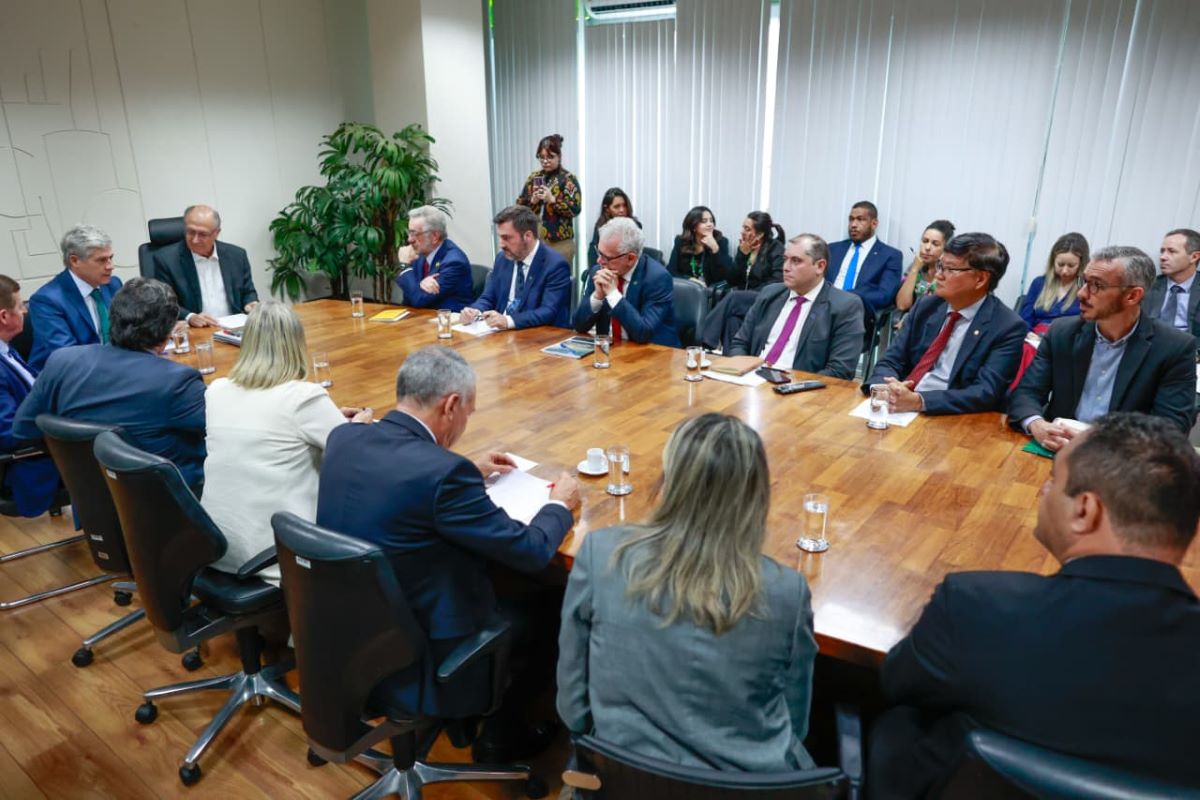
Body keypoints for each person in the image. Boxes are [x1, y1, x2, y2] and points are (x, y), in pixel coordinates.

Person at [870, 413, 1200, 797]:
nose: (1042, 491)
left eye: (1053, 480)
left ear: (1085, 511)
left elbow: (895, 683)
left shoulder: (975, 608)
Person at [316, 346, 581, 761]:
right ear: (451, 404)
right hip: (418, 649)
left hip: (347, 634)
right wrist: (559, 506)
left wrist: (465, 469)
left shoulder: (344, 437)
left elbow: (401, 474)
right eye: (469, 412)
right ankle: (502, 736)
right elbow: (530, 551)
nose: (465, 422)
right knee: (552, 600)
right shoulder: (442, 475)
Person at [558, 413, 818, 772]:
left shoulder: (600, 553)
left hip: (621, 776)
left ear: (669, 482)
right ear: (756, 496)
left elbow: (573, 702)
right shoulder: (787, 592)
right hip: (741, 790)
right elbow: (795, 723)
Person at [202, 301, 373, 585]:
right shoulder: (304, 398)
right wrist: (357, 429)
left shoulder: (216, 390)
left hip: (216, 546)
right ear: (296, 343)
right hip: (276, 554)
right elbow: (353, 456)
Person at [14, 278, 206, 489]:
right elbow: (223, 434)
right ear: (168, 332)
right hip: (171, 503)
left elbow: (24, 428)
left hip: (92, 501)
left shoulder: (61, 361)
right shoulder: (178, 382)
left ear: (112, 317)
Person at [1008, 246, 1197, 446]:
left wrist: (1096, 441)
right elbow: (1026, 393)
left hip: (1121, 460)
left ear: (1132, 296)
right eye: (1084, 281)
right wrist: (1037, 424)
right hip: (1056, 448)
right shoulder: (1062, 333)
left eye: (1096, 285)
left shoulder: (1174, 348)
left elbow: (1172, 429)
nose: (1081, 293)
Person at [864, 232, 1025, 415]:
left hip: (951, 417)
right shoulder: (927, 306)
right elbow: (892, 359)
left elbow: (985, 392)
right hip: (900, 406)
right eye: (940, 265)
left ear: (980, 279)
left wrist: (919, 401)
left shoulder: (1007, 327)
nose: (938, 275)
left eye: (949, 269)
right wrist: (885, 387)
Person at [728, 234, 865, 379]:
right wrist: (742, 372)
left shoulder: (845, 306)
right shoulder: (770, 294)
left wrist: (793, 385)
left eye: (796, 261)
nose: (786, 268)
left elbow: (840, 371)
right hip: (752, 380)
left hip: (799, 389)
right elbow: (740, 343)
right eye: (785, 259)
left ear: (820, 266)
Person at [0, 275, 60, 517]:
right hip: (29, 464)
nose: (25, 311)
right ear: (4, 316)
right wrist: (62, 424)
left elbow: (32, 384)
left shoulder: (6, 350)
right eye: (20, 306)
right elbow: (9, 432)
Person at [28, 224, 124, 370]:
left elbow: (130, 329)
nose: (110, 266)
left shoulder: (113, 285)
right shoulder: (47, 300)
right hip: (69, 378)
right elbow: (67, 355)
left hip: (110, 369)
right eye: (101, 260)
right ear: (75, 261)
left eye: (110, 258)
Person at [573, 217, 679, 347]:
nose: (599, 261)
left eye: (606, 257)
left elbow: (643, 333)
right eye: (599, 253)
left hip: (652, 355)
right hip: (611, 352)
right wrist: (597, 297)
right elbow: (578, 326)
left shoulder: (658, 278)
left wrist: (613, 295)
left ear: (630, 258)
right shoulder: (598, 271)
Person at [461, 206, 571, 330]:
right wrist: (475, 310)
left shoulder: (555, 265)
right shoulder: (502, 259)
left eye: (506, 238)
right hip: (500, 334)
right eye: (500, 237)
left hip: (536, 335)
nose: (501, 244)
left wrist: (508, 321)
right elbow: (488, 297)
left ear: (528, 236)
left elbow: (548, 311)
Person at [152, 204, 259, 327]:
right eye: (190, 232)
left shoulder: (237, 255)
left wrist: (251, 303)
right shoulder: (166, 260)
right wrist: (190, 316)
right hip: (197, 331)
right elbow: (164, 303)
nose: (195, 240)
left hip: (234, 328)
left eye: (202, 234)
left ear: (216, 233)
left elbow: (248, 291)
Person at [826, 201, 904, 326]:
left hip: (857, 313)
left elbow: (884, 295)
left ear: (874, 224)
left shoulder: (890, 255)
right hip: (823, 309)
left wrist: (846, 297)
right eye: (851, 219)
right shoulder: (833, 249)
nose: (853, 225)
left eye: (860, 220)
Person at [516, 133, 582, 266]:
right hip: (535, 242)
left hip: (560, 244)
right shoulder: (533, 178)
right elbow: (519, 208)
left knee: (559, 282)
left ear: (559, 157)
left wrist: (553, 200)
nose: (545, 161)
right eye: (541, 157)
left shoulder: (568, 179)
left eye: (550, 157)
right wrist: (532, 202)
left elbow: (575, 209)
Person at [394, 205, 475, 311]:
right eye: (409, 232)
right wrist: (419, 285)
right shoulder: (419, 255)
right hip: (423, 320)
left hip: (450, 323)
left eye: (415, 234)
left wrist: (404, 266)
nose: (410, 240)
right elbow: (409, 299)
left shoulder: (454, 261)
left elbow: (419, 300)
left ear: (434, 236)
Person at [1017, 232, 1087, 331]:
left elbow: (1087, 324)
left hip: (1066, 340)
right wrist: (1028, 333)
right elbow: (1025, 319)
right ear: (1053, 261)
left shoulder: (1083, 285)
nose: (1065, 271)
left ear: (1081, 265)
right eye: (1060, 264)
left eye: (1071, 266)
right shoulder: (1040, 283)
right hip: (1035, 337)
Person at [1145, 227, 1200, 342]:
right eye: (1162, 251)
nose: (1163, 257)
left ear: (1194, 257)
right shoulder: (1148, 286)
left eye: (1171, 251)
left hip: (1190, 352)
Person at [895, 220, 955, 315]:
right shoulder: (916, 266)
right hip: (911, 321)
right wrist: (914, 270)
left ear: (946, 248)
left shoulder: (951, 273)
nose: (927, 247)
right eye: (925, 241)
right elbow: (902, 305)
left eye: (935, 244)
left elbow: (934, 307)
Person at [666, 206, 734, 287]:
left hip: (709, 291)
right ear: (693, 226)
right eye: (704, 221)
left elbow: (723, 277)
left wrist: (715, 250)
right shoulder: (681, 242)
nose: (709, 224)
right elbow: (671, 271)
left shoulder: (720, 241)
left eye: (711, 221)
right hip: (686, 288)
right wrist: (689, 280)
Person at [731, 211, 786, 291]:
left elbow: (777, 281)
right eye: (743, 227)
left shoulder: (776, 250)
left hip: (762, 297)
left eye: (747, 229)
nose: (742, 232)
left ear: (760, 234)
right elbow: (731, 280)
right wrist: (742, 255)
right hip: (740, 295)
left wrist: (748, 294)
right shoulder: (744, 247)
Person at [587, 187, 640, 268]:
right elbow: (594, 254)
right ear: (607, 209)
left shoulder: (634, 226)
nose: (622, 210)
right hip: (606, 268)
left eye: (624, 205)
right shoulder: (601, 226)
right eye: (617, 207)